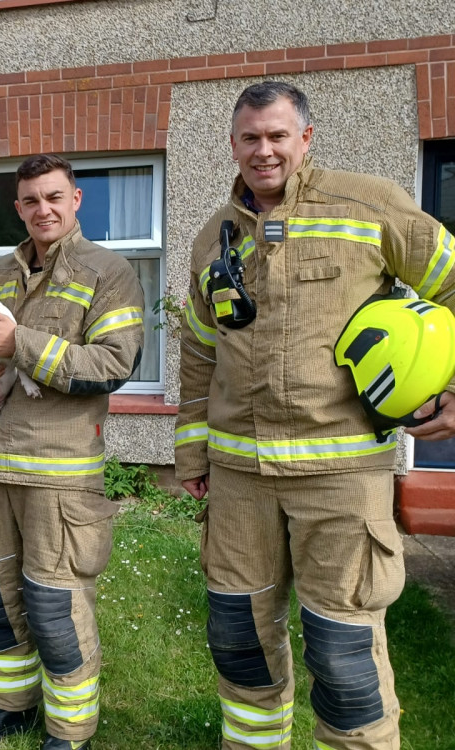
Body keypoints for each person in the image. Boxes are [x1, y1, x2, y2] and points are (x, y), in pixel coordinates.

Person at [175, 80, 455, 750]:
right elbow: (197, 351)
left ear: (306, 137)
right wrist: (191, 455)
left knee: (344, 651)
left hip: (341, 477)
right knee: (240, 640)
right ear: (233, 144)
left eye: (277, 135)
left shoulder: (368, 205)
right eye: (250, 138)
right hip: (240, 477)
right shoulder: (211, 241)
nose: (264, 151)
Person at [0, 154, 145, 750]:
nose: (42, 209)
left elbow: (114, 363)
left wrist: (15, 342)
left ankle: (70, 729)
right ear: (17, 206)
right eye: (30, 200)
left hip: (60, 471)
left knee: (55, 604)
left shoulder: (109, 273)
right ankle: (9, 706)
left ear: (76, 200)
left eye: (54, 197)